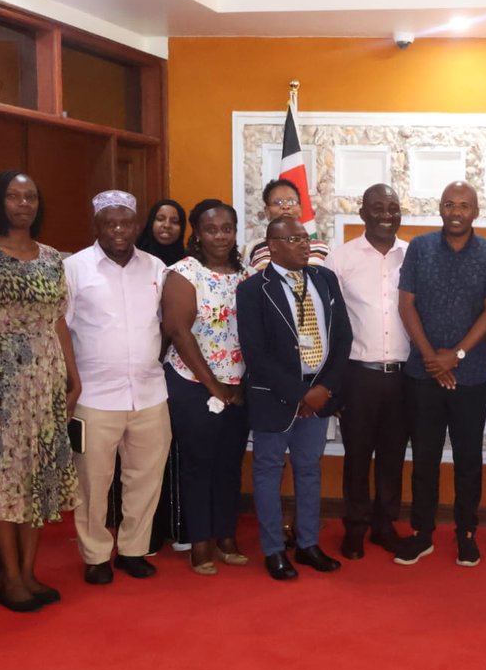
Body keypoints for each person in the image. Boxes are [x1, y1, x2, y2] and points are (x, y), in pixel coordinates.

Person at [0, 170, 81, 612]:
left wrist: (74, 376)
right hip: (1, 380)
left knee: (40, 478)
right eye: (13, 196)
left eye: (30, 196)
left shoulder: (52, 257)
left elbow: (59, 320)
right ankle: (10, 579)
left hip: (47, 380)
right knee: (7, 477)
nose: (23, 204)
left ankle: (31, 573)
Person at [394, 181, 486, 567]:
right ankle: (422, 533)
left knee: (467, 459)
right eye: (448, 205)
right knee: (424, 458)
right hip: (422, 373)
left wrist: (455, 356)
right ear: (439, 209)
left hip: (470, 375)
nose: (456, 212)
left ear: (476, 211)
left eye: (464, 205)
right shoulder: (419, 248)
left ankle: (466, 534)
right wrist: (432, 358)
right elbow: (405, 305)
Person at [64, 190, 172, 585]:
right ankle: (95, 555)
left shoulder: (156, 268)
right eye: (109, 223)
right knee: (93, 483)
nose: (118, 230)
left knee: (145, 477)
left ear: (136, 224)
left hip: (149, 393)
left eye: (125, 222)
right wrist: (70, 384)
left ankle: (132, 550)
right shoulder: (74, 269)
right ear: (97, 226)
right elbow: (61, 331)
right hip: (94, 397)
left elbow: (168, 324)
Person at [238, 216, 352, 580]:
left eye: (306, 238)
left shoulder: (325, 279)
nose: (305, 245)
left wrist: (323, 390)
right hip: (275, 397)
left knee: (309, 470)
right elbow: (255, 354)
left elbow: (343, 338)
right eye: (294, 239)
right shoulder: (254, 289)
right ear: (272, 245)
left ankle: (307, 544)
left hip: (319, 395)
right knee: (269, 472)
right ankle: (273, 550)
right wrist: (300, 393)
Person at [162, 199, 249, 576]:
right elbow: (179, 332)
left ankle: (226, 536)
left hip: (238, 385)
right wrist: (213, 386)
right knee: (199, 464)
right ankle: (200, 542)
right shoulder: (184, 273)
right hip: (191, 382)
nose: (220, 236)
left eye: (227, 228)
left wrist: (240, 383)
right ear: (197, 233)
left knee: (230, 462)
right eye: (211, 229)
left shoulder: (245, 276)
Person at [325, 184, 408, 559]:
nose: (386, 213)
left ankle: (384, 525)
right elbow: (329, 325)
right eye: (377, 206)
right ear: (363, 212)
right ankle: (355, 527)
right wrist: (333, 382)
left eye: (392, 207)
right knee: (357, 455)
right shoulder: (339, 260)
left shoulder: (413, 255)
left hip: (404, 376)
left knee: (392, 456)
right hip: (358, 374)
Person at [132, 198, 188, 553]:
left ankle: (177, 525)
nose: (166, 226)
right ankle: (143, 532)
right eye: (160, 219)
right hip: (141, 367)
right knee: (141, 456)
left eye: (174, 221)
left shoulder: (187, 266)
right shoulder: (133, 261)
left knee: (175, 452)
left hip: (178, 368)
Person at [243, 178, 327, 271]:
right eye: (278, 202)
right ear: (267, 212)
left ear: (300, 209)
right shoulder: (253, 248)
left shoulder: (322, 248)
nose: (285, 206)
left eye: (291, 202)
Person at [136, 198, 186, 268]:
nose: (167, 225)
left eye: (174, 221)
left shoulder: (188, 264)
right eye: (160, 219)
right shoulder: (134, 258)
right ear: (151, 223)